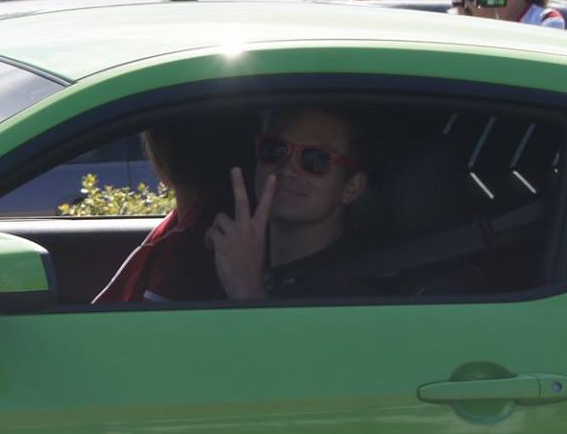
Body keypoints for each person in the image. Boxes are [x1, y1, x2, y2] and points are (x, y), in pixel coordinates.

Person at [96, 107, 374, 304]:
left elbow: (295, 370)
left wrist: (247, 290)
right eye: (275, 150)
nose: (288, 168)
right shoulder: (228, 253)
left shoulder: (361, 290)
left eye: (315, 159)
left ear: (352, 187)